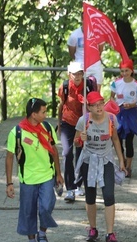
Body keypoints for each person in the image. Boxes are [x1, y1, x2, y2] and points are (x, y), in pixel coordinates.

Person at [5, 98, 64, 242]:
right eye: (43, 112)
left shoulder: (47, 128)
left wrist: (58, 173)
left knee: (46, 206)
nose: (46, 115)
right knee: (28, 211)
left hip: (47, 176)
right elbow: (9, 157)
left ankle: (42, 235)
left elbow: (54, 150)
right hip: (28, 179)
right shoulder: (17, 132)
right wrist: (9, 183)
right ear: (33, 114)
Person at [73, 91, 126, 242]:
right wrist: (79, 139)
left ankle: (110, 234)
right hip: (89, 160)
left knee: (109, 195)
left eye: (101, 103)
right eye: (95, 105)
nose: (99, 107)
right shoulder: (84, 121)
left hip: (106, 159)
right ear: (88, 107)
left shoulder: (111, 118)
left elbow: (115, 139)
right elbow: (75, 143)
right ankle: (93, 229)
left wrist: (121, 160)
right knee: (90, 196)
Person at [57, 62, 86, 202]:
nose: (77, 76)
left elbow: (93, 105)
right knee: (67, 153)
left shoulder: (87, 87)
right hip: (67, 123)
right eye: (75, 73)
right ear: (69, 74)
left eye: (80, 73)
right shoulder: (65, 87)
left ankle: (78, 185)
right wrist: (59, 124)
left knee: (81, 154)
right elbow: (61, 105)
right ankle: (69, 189)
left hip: (82, 124)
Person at [110, 59, 137, 177]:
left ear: (131, 70)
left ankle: (128, 167)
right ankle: (122, 162)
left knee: (129, 141)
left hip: (131, 114)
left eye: (127, 70)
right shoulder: (116, 83)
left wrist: (133, 105)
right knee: (117, 138)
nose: (124, 73)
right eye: (122, 71)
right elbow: (112, 97)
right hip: (119, 113)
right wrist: (116, 105)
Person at [67, 14, 104, 89]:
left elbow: (100, 50)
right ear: (82, 20)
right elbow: (71, 53)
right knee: (81, 91)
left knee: (96, 92)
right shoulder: (74, 35)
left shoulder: (98, 33)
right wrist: (80, 59)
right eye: (86, 19)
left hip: (95, 64)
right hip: (80, 66)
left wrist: (93, 59)